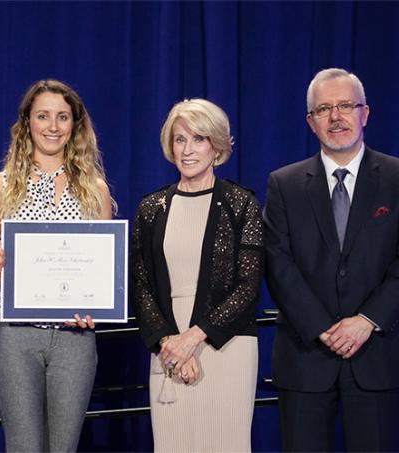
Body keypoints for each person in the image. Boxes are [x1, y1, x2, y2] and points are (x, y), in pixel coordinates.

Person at [264, 68, 399, 451]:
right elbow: (278, 262)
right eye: (323, 109)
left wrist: (366, 321)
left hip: (379, 357)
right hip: (306, 358)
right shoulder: (283, 184)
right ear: (310, 122)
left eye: (345, 106)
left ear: (365, 113)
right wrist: (322, 327)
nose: (335, 117)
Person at [0, 79, 113, 452]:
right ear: (27, 124)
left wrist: (95, 307)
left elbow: (102, 267)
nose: (53, 126)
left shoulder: (94, 188)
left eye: (62, 117)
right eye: (43, 116)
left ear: (75, 126)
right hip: (16, 335)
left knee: (64, 447)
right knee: (25, 447)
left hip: (75, 337)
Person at [132, 99, 263, 452]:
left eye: (199, 139)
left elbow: (248, 286)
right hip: (168, 349)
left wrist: (194, 338)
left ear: (217, 145)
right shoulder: (151, 208)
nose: (187, 150)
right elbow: (141, 284)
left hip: (226, 347)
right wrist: (169, 344)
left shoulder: (242, 204)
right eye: (179, 140)